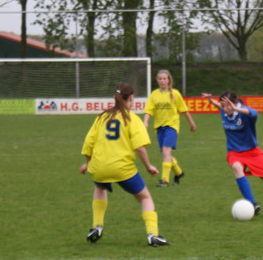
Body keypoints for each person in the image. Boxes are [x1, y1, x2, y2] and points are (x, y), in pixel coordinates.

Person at [80, 82, 168, 246]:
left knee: (100, 187)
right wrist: (148, 166)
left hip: (100, 167)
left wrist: (88, 164)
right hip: (122, 169)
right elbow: (140, 148)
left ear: (115, 97)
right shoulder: (132, 118)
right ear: (131, 97)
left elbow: (88, 145)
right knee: (145, 197)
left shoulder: (101, 117)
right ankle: (152, 234)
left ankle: (97, 226)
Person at [203, 90, 263, 218]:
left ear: (235, 103)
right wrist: (210, 101)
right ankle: (252, 204)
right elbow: (219, 105)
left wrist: (236, 109)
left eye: (227, 105)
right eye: (223, 106)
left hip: (253, 153)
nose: (225, 109)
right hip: (234, 152)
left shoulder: (245, 113)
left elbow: (254, 112)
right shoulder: (224, 111)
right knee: (237, 167)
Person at [143, 69, 196, 187]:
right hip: (159, 127)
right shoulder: (154, 94)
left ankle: (164, 180)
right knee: (165, 154)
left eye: (164, 78)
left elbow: (184, 110)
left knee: (166, 151)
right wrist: (145, 121)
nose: (162, 81)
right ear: (157, 80)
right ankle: (179, 173)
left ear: (169, 80)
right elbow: (148, 110)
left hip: (172, 127)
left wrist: (192, 123)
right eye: (160, 79)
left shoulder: (175, 94)